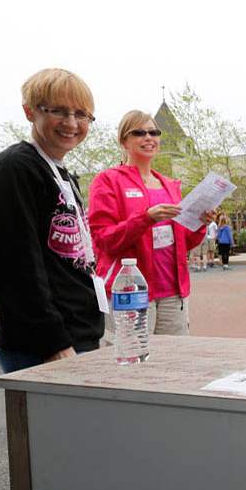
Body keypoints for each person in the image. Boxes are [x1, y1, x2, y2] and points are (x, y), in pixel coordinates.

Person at [0, 67, 104, 490]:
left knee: (74, 472)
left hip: (74, 337)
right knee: (65, 476)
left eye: (83, 114)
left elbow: (69, 261)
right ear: (30, 112)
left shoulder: (58, 173)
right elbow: (16, 269)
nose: (72, 123)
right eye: (59, 111)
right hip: (45, 346)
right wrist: (55, 346)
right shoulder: (15, 169)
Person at [89, 110, 213, 337]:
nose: (149, 138)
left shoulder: (170, 185)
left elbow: (184, 241)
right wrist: (146, 218)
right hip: (130, 291)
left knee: (173, 363)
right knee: (133, 364)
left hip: (172, 293)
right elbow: (104, 239)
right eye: (139, 132)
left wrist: (200, 223)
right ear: (124, 141)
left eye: (154, 132)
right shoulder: (108, 181)